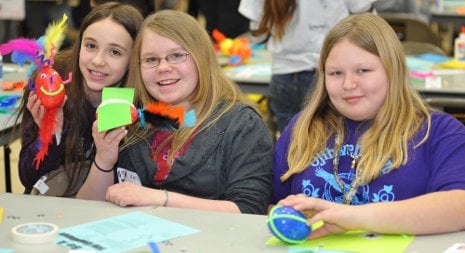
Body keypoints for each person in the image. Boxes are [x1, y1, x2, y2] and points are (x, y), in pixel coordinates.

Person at [273, 13, 465, 239]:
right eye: (335, 73)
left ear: (392, 70)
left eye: (363, 71)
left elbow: (459, 206)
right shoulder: (303, 129)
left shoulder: (439, 132)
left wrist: (353, 217)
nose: (348, 84)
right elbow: (272, 204)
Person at [76, 10, 274, 215]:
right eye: (151, 59)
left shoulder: (242, 124)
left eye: (177, 55)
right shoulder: (131, 118)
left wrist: (161, 198)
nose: (163, 67)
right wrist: (104, 160)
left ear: (201, 58)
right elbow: (86, 212)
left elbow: (250, 209)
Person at [17, 2, 143, 195]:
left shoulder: (139, 99)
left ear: (133, 59)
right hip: (52, 210)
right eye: (91, 46)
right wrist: (51, 135)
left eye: (115, 52)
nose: (98, 61)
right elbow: (29, 179)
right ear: (79, 44)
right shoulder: (52, 80)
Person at [238, 0, 375, 133]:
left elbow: (258, 34)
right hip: (329, 72)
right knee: (333, 143)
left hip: (285, 74)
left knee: (290, 145)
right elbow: (365, 17)